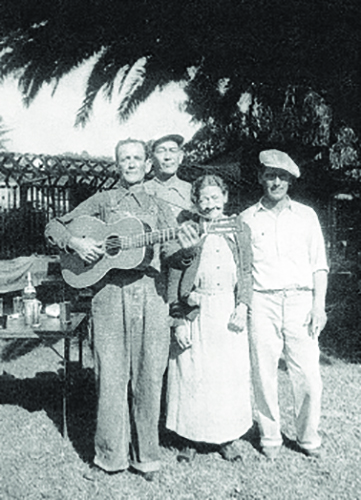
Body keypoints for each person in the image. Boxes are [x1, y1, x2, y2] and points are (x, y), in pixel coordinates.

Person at [45, 139, 176, 481]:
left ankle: (147, 456)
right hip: (107, 295)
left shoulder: (159, 205)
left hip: (151, 292)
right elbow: (55, 225)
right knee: (112, 374)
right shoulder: (103, 200)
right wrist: (75, 242)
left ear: (148, 164)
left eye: (136, 158)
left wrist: (188, 246)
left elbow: (176, 251)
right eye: (124, 159)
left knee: (149, 374)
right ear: (117, 165)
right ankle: (110, 457)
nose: (131, 164)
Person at [241, 149, 328, 460]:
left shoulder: (307, 216)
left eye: (282, 177)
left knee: (307, 374)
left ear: (290, 181)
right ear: (260, 178)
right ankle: (270, 436)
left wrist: (319, 305)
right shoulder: (246, 218)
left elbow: (319, 265)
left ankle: (308, 437)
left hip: (300, 301)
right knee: (263, 372)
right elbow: (243, 268)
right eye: (270, 175)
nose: (275, 181)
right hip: (262, 302)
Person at [165, 174, 253, 462]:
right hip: (196, 313)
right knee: (192, 375)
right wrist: (178, 321)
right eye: (204, 198)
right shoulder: (188, 231)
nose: (210, 204)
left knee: (226, 377)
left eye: (216, 197)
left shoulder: (239, 228)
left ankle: (226, 438)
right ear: (195, 202)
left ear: (225, 198)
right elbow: (173, 278)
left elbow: (246, 272)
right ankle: (189, 438)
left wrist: (243, 305)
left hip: (228, 311)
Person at [145, 134, 191, 221]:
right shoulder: (142, 190)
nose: (168, 157)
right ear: (151, 160)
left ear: (180, 157)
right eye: (161, 151)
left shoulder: (191, 190)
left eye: (173, 151)